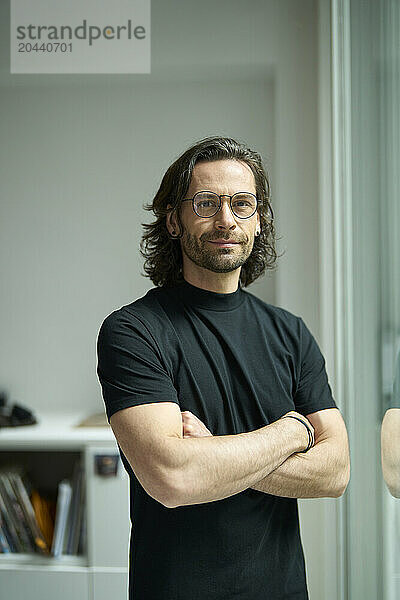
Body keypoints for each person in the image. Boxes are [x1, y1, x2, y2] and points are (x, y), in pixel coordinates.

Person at [96, 136, 350, 600]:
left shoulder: (290, 333)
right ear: (173, 219)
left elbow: (336, 471)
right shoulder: (133, 331)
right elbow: (174, 479)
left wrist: (214, 454)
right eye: (206, 203)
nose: (226, 219)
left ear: (259, 221)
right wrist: (291, 433)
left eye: (242, 204)